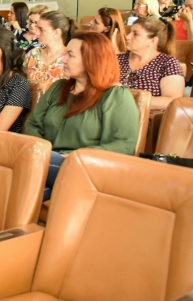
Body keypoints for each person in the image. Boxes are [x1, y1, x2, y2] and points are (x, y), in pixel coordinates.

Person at [25, 32, 139, 200]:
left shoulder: (116, 95)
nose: (63, 60)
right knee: (30, 188)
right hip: (49, 160)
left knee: (29, 167)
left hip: (86, 166)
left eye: (70, 55)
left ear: (91, 60)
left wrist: (78, 155)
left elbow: (124, 144)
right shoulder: (58, 87)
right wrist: (41, 149)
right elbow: (33, 124)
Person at [119, 17, 184, 110]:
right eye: (130, 32)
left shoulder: (168, 63)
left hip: (147, 116)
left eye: (135, 34)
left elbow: (172, 101)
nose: (127, 36)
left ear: (153, 41)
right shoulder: (117, 59)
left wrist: (129, 101)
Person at [25, 11, 77, 89]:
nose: (37, 33)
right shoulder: (32, 54)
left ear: (56, 32)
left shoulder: (69, 58)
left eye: (41, 29)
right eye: (37, 28)